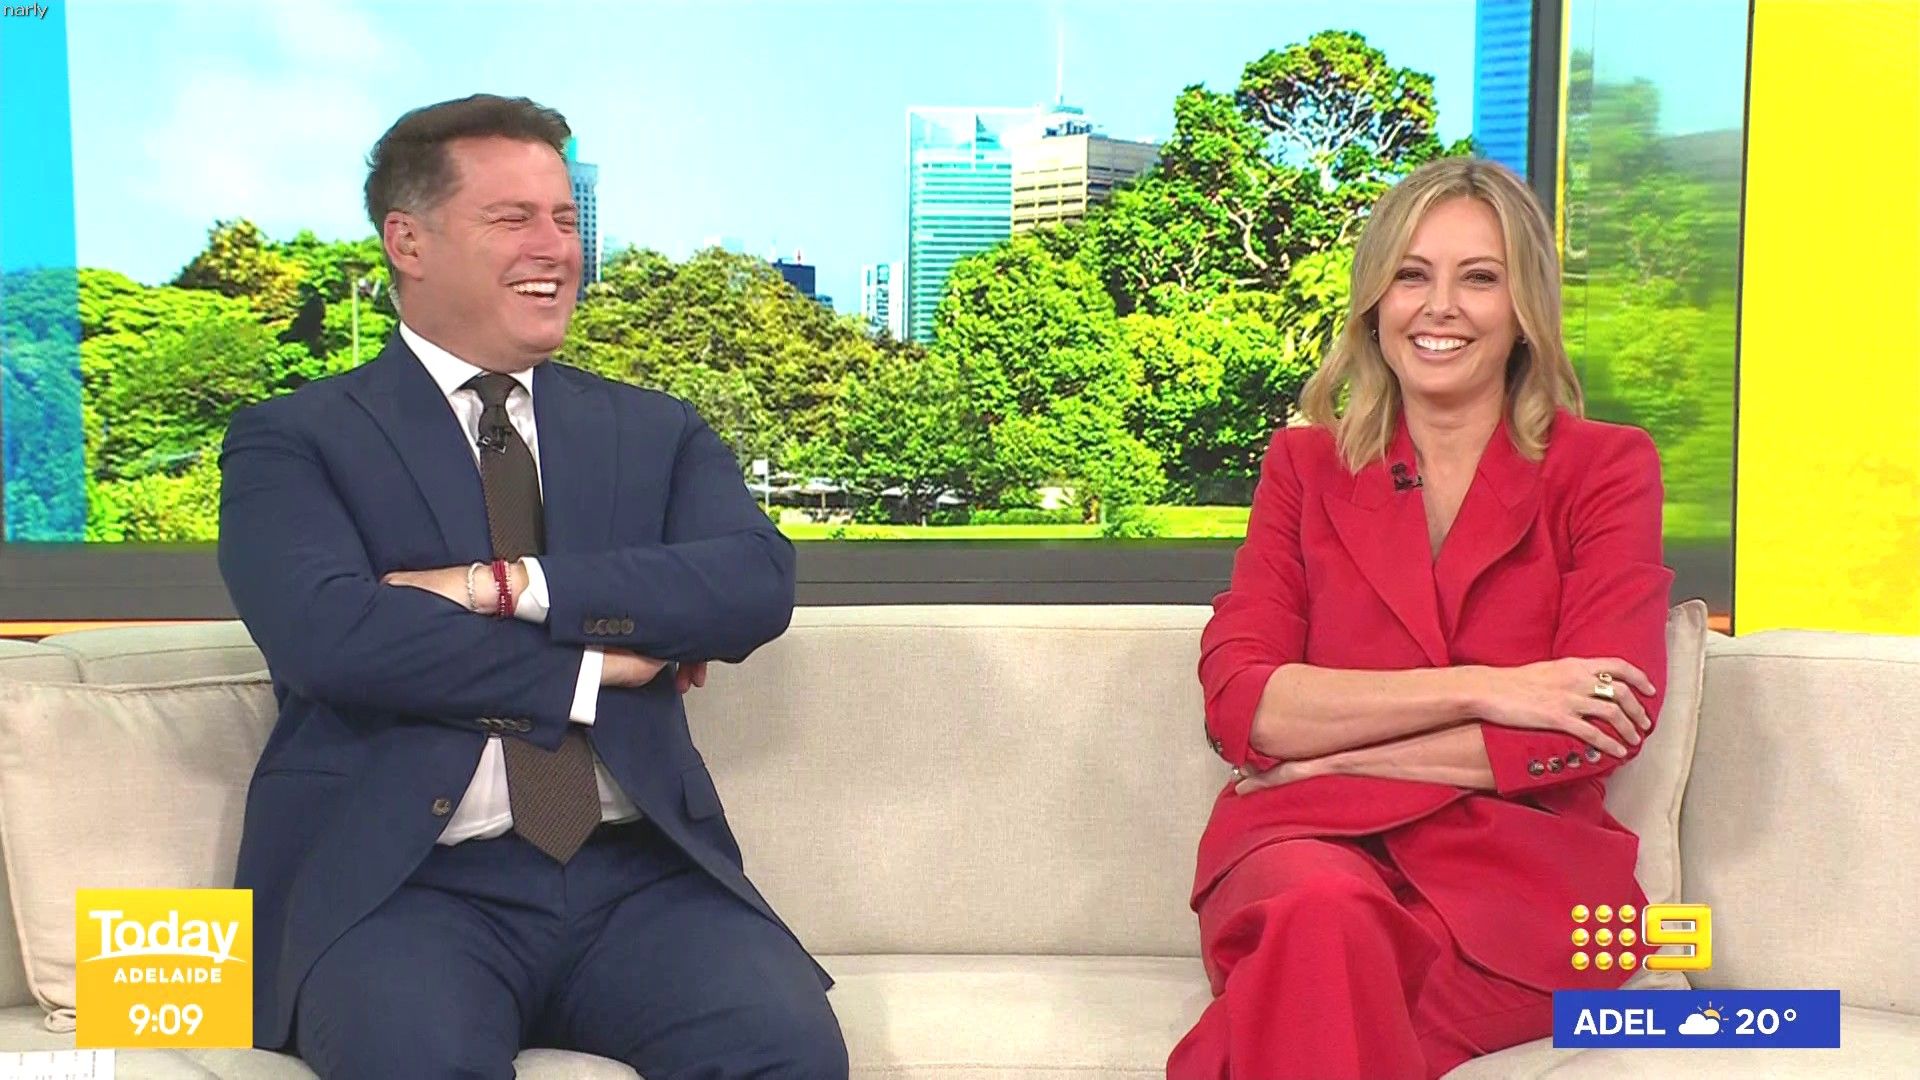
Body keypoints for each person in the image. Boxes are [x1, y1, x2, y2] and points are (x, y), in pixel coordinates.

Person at [217, 94, 848, 1080]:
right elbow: (330, 636)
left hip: (640, 879)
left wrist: (505, 585)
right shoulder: (294, 440)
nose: (555, 247)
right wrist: (591, 671)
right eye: (512, 219)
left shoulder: (655, 430)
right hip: (404, 892)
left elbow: (753, 585)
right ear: (408, 242)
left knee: (788, 1050)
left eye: (563, 218)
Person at [1165, 157, 1674, 1080]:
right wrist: (1492, 690)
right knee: (1322, 918)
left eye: (1479, 277)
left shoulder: (1604, 469)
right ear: (1375, 302)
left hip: (1519, 891)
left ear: (1524, 308)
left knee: (1299, 1004)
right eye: (1411, 275)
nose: (1440, 307)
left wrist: (1338, 757)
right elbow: (1245, 704)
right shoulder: (1304, 469)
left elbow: (1601, 720)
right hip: (1305, 851)